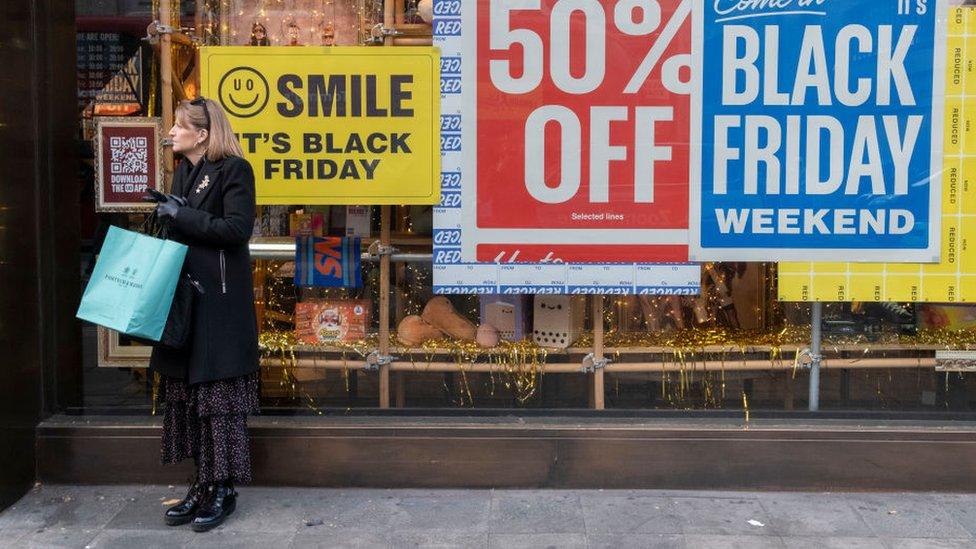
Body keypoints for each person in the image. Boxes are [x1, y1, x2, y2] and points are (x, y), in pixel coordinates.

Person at [146, 97, 259, 533]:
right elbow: (188, 227)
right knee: (190, 400)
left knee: (218, 401)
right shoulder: (184, 170)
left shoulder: (234, 169)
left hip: (218, 305)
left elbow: (236, 229)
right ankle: (200, 483)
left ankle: (222, 489)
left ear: (203, 134)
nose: (171, 132)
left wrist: (183, 214)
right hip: (185, 304)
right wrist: (167, 211)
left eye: (178, 126)